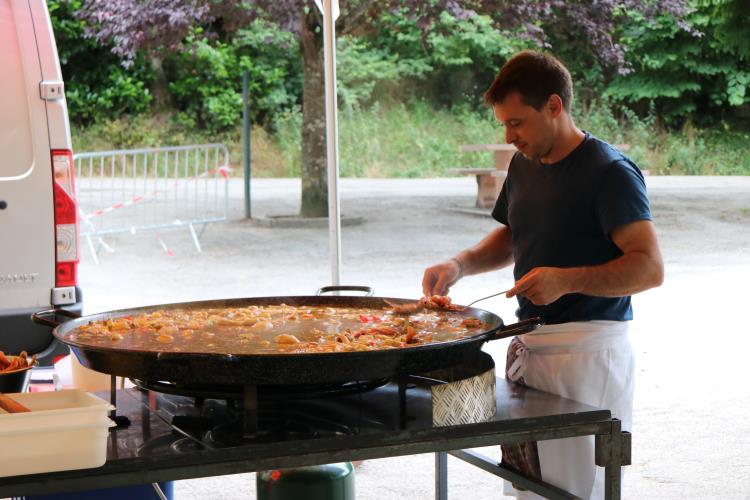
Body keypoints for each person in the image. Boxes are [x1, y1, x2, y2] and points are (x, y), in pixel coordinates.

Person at [422, 50, 664, 499]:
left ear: (554, 106)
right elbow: (512, 234)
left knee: (576, 492)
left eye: (517, 122)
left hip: (588, 355)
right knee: (527, 489)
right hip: (531, 349)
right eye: (504, 125)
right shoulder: (523, 163)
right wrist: (459, 264)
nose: (510, 136)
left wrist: (567, 279)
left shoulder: (610, 172)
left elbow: (649, 267)